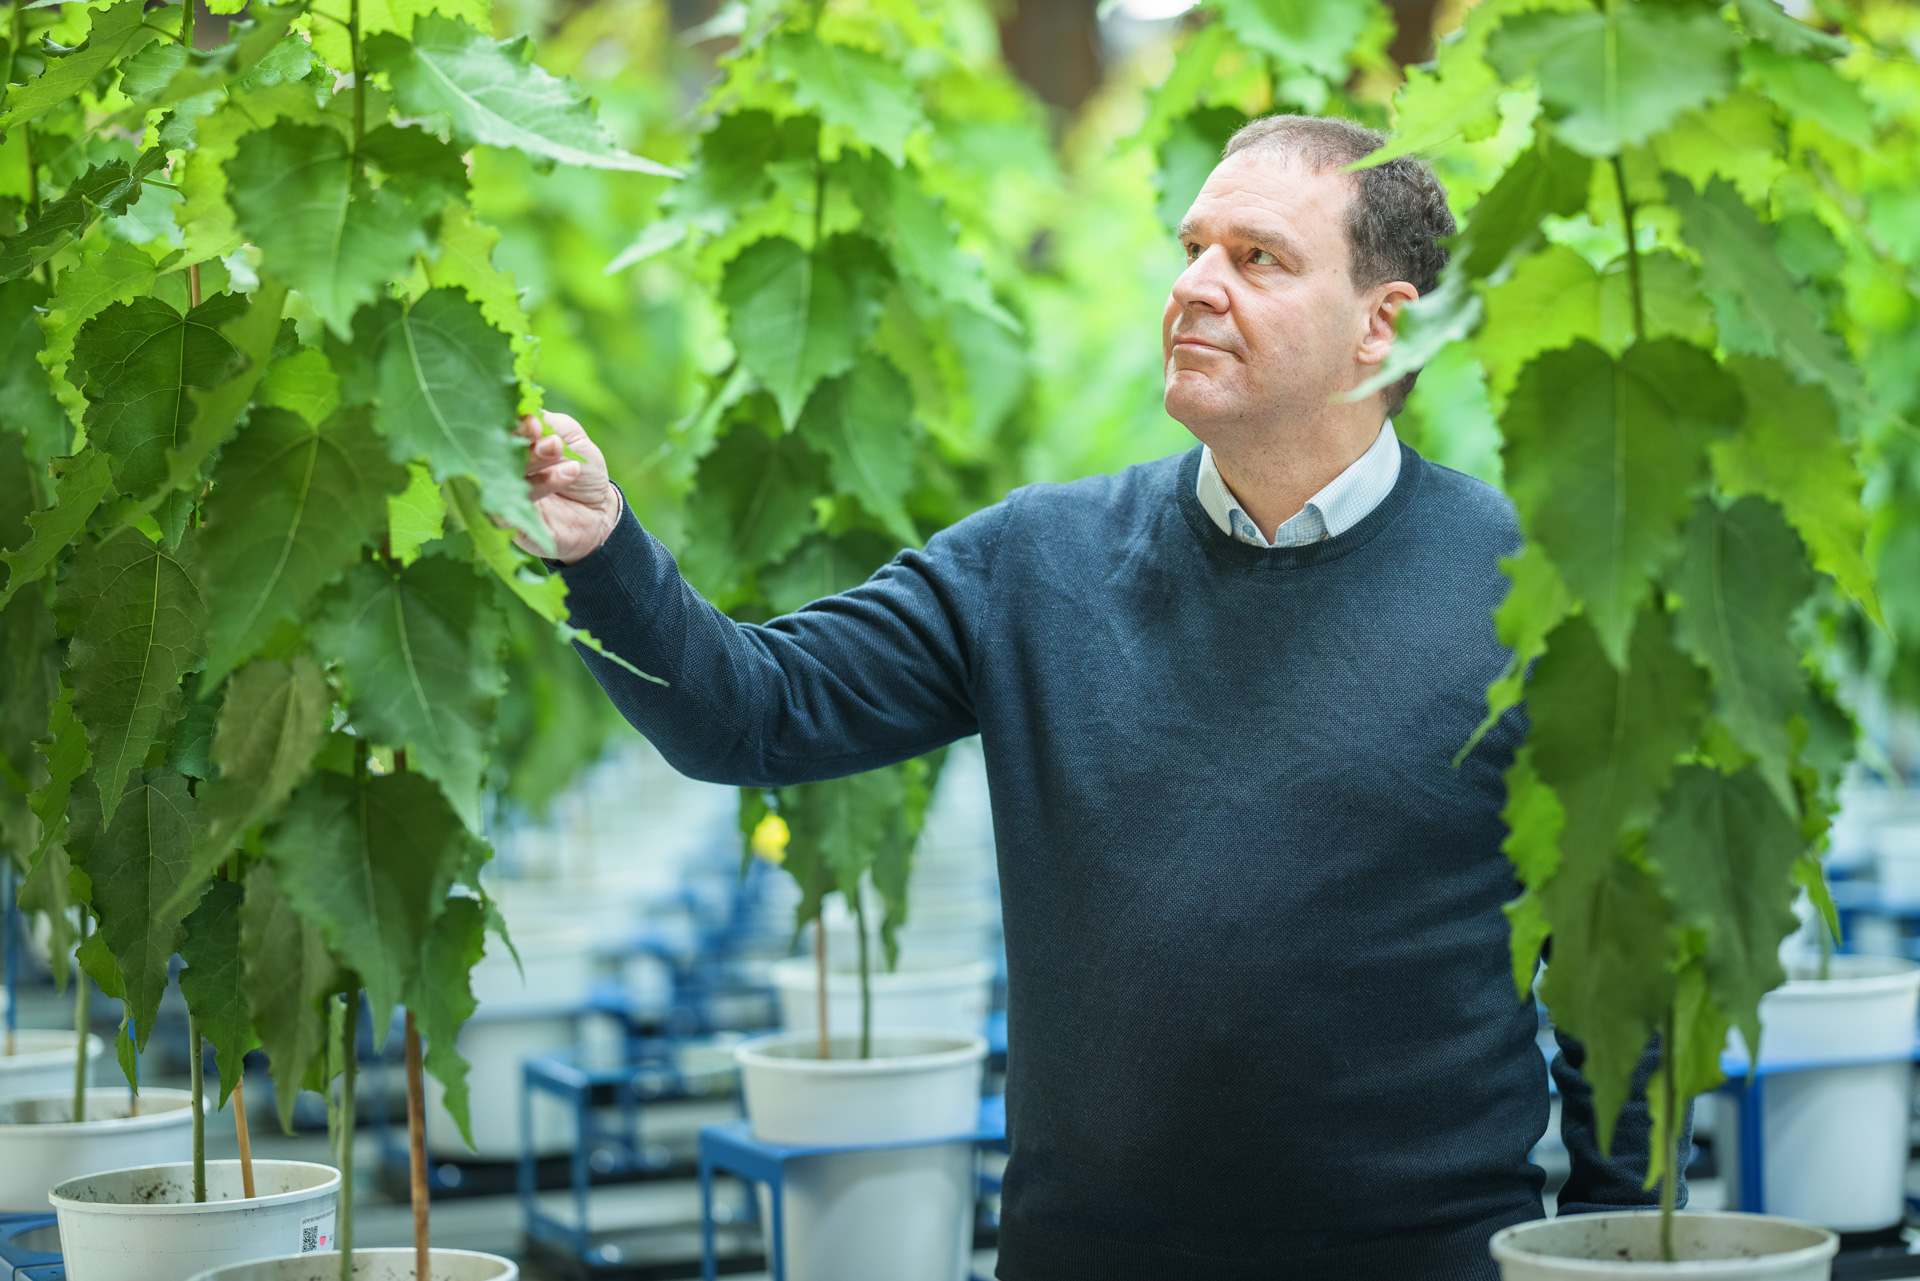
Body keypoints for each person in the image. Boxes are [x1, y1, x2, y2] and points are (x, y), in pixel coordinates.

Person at [511, 114, 1682, 1281]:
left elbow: (1615, 996)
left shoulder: (1536, 604)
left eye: (1258, 257)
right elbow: (752, 712)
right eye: (1191, 250)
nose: (1196, 288)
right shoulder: (1036, 565)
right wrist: (601, 552)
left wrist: (1616, 1250)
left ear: (1383, 325)